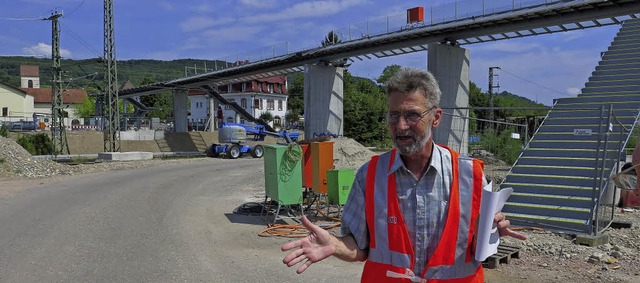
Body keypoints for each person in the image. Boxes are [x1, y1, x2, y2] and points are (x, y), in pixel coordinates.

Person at [281, 68, 526, 282]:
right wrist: (335, 245)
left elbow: (475, 248)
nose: (400, 126)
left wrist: (492, 232)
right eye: (393, 115)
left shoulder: (469, 176)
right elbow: (359, 247)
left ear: (436, 117)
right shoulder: (369, 176)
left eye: (411, 115)